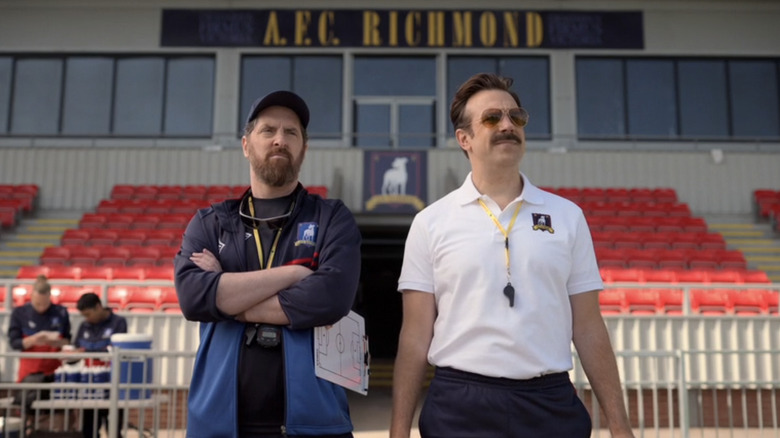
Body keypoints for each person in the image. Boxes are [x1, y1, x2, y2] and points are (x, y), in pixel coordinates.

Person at [390, 73, 634, 438]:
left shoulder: (567, 216)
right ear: (464, 139)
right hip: (459, 407)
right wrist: (398, 429)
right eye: (492, 118)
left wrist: (619, 425)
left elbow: (587, 326)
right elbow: (415, 334)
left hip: (549, 404)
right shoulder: (430, 222)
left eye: (516, 117)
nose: (507, 125)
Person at [174, 90, 362, 438]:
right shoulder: (210, 222)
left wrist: (228, 294)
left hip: (315, 425)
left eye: (292, 133)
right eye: (268, 130)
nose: (280, 140)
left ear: (303, 148)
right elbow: (193, 298)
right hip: (219, 426)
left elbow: (330, 299)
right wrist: (294, 274)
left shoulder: (332, 217)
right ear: (246, 145)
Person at [72, 292, 127, 438]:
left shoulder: (118, 323)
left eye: (89, 314)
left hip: (112, 386)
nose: (87, 318)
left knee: (114, 431)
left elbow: (115, 351)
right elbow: (76, 349)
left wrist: (86, 352)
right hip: (89, 387)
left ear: (98, 307)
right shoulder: (84, 326)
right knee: (88, 430)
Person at [8, 274, 71, 384]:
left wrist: (57, 342)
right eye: (38, 304)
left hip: (54, 371)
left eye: (45, 304)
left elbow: (68, 340)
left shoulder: (61, 312)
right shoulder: (19, 313)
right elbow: (14, 343)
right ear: (31, 296)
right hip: (29, 372)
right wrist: (33, 340)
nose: (41, 307)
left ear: (50, 297)